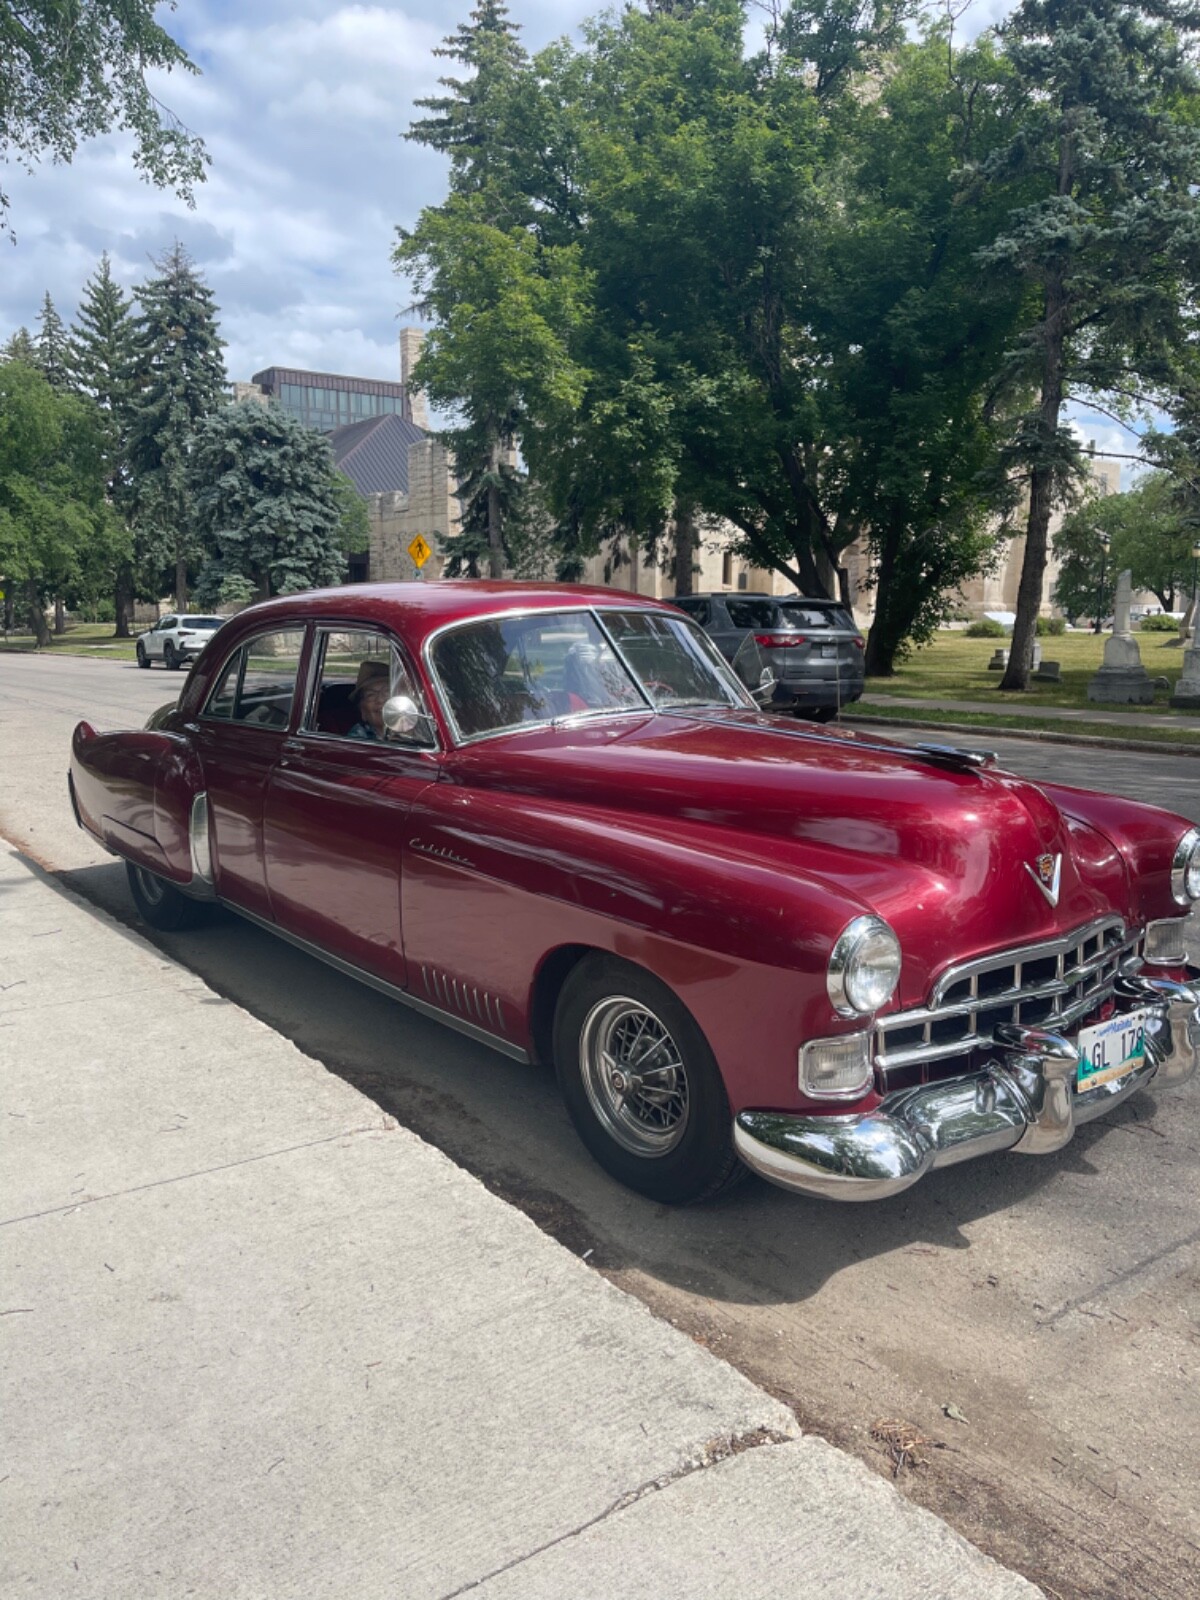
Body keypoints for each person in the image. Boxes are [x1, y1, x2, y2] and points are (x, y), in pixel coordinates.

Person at [346, 660, 390, 741]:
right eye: (371, 695)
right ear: (363, 712)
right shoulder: (357, 738)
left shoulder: (416, 729)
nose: (380, 700)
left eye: (387, 692)